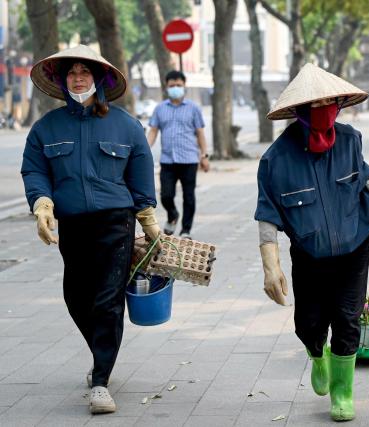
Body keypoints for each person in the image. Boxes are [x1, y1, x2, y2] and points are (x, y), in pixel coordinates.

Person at [21, 45, 160, 414]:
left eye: (85, 72)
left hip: (116, 221)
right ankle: (102, 350)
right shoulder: (46, 128)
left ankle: (101, 380)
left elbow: (141, 173)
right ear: (63, 81)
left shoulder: (126, 125)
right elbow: (34, 170)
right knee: (76, 296)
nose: (78, 78)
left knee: (108, 300)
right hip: (74, 224)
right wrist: (42, 204)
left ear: (99, 79)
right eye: (72, 73)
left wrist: (149, 219)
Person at [254, 63, 369, 422]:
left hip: (355, 245)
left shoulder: (350, 139)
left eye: (330, 101)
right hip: (310, 253)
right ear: (299, 110)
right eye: (316, 103)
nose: (325, 108)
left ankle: (342, 392)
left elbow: (362, 182)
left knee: (347, 318)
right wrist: (272, 267)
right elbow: (267, 214)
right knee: (310, 322)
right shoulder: (276, 159)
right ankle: (317, 355)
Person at [146, 70, 209, 239]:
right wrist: (144, 150)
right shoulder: (160, 109)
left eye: (179, 85)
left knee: (189, 196)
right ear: (166, 87)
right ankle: (172, 215)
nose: (175, 88)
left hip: (189, 159)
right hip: (167, 160)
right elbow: (153, 131)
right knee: (165, 196)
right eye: (172, 85)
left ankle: (186, 230)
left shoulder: (193, 108)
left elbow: (200, 133)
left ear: (184, 86)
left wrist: (204, 156)